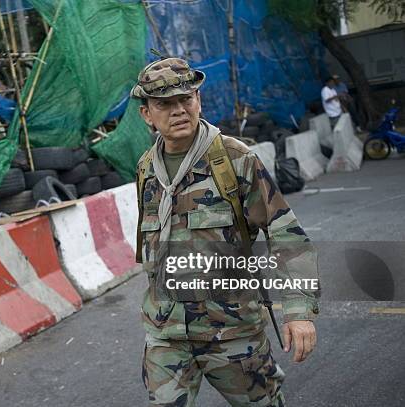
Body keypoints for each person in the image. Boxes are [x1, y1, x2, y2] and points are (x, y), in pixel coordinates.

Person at [131, 58, 321, 407]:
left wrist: (298, 311)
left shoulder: (235, 160)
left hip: (231, 332)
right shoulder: (146, 168)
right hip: (166, 332)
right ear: (147, 114)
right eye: (164, 104)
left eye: (185, 99)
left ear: (198, 100)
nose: (178, 110)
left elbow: (287, 235)